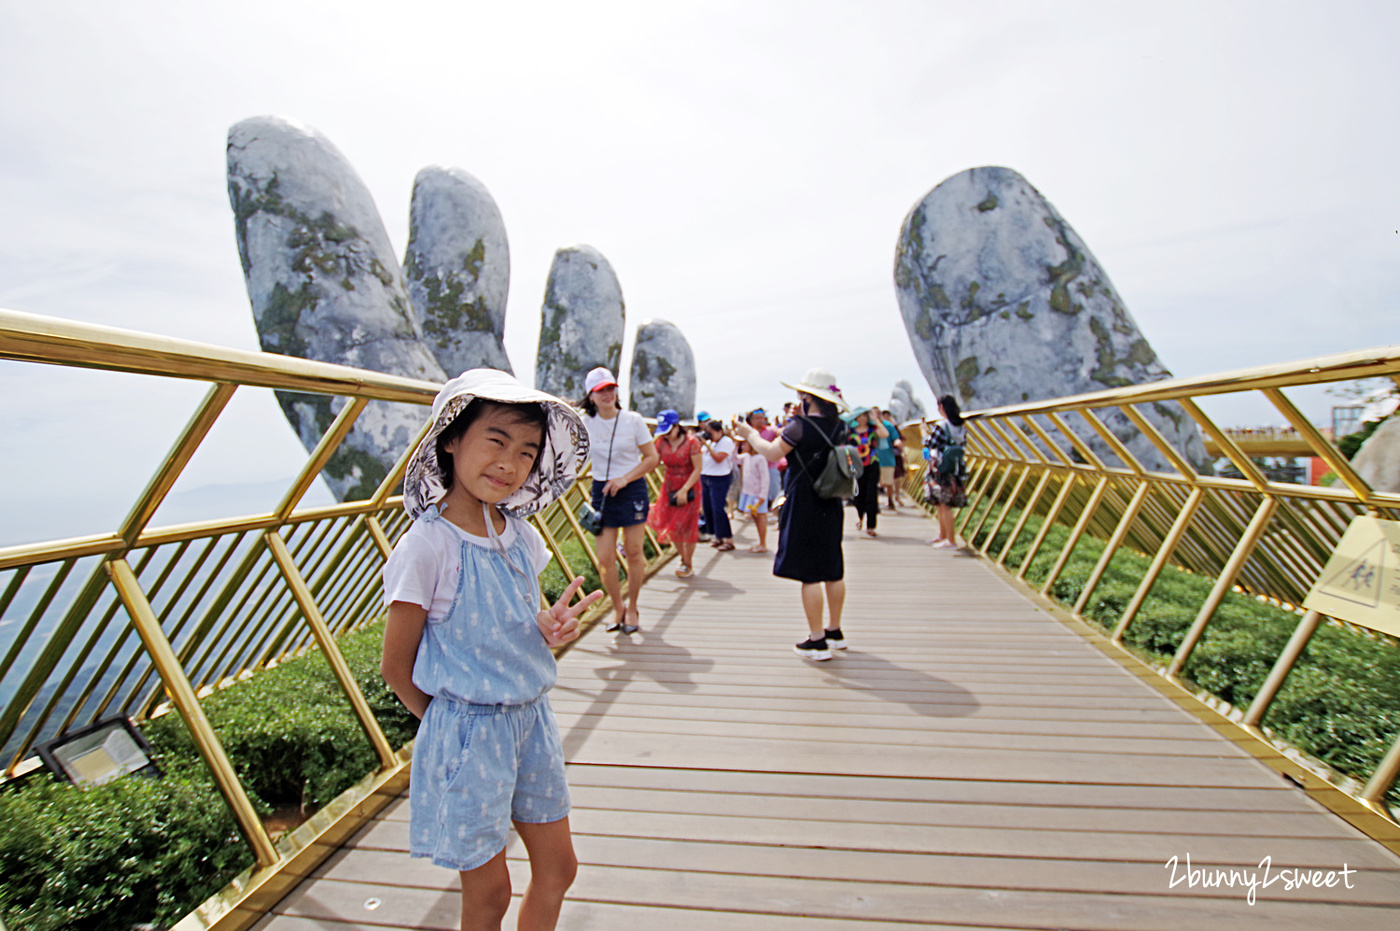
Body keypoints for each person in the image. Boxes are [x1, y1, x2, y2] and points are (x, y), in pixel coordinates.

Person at [380, 369, 604, 931]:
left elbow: (516, 621)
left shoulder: (521, 535)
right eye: (496, 440)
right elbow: (394, 666)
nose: (511, 463)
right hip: (467, 731)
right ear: (451, 438)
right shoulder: (428, 546)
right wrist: (448, 728)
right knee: (489, 894)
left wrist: (547, 629)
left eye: (528, 451)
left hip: (533, 723)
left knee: (559, 867)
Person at [737, 367, 849, 661]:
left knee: (809, 574)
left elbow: (772, 452)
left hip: (805, 501)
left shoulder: (799, 427)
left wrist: (750, 433)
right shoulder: (840, 426)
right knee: (832, 567)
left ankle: (817, 641)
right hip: (832, 499)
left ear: (808, 397)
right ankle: (834, 631)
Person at [579, 367, 660, 633]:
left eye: (611, 388)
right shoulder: (585, 424)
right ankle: (618, 607)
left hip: (632, 486)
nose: (607, 394)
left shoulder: (633, 420)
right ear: (590, 396)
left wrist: (624, 479)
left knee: (634, 551)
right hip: (602, 491)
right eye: (600, 390)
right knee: (604, 558)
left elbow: (652, 458)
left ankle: (633, 606)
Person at [647, 409, 703, 578]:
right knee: (672, 525)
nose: (667, 435)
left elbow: (698, 468)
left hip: (690, 485)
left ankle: (687, 562)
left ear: (678, 426)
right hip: (670, 486)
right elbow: (653, 462)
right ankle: (685, 560)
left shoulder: (692, 442)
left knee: (688, 525)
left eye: (669, 431)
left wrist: (685, 489)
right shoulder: (661, 443)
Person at [925, 394, 969, 548]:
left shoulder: (942, 425)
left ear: (941, 407)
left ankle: (950, 539)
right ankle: (943, 536)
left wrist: (925, 433)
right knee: (942, 503)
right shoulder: (960, 425)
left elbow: (931, 444)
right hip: (956, 468)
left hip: (941, 468)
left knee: (943, 504)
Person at [846, 406, 888, 538]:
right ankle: (860, 517)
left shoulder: (872, 430)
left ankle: (871, 525)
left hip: (872, 463)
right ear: (855, 418)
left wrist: (876, 420)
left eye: (865, 415)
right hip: (856, 465)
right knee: (859, 494)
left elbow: (885, 434)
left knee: (871, 494)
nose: (863, 418)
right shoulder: (850, 432)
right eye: (860, 416)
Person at [697, 418, 736, 551]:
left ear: (719, 432)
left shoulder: (726, 441)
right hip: (706, 476)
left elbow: (719, 458)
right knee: (708, 508)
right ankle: (717, 536)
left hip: (719, 478)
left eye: (711, 432)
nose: (709, 435)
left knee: (718, 508)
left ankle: (728, 539)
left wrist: (707, 445)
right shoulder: (711, 442)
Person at [735, 437, 771, 553]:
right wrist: (735, 444)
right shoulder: (746, 457)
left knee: (760, 518)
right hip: (748, 493)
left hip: (757, 494)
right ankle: (761, 542)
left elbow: (765, 479)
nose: (743, 447)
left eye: (745, 444)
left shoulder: (760, 459)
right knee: (755, 518)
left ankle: (763, 543)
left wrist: (762, 496)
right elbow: (733, 459)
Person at [870, 405, 903, 510]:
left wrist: (898, 444)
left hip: (887, 459)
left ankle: (890, 499)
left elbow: (896, 438)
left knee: (888, 482)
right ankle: (875, 503)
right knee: (873, 482)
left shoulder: (888, 426)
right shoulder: (868, 427)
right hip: (872, 459)